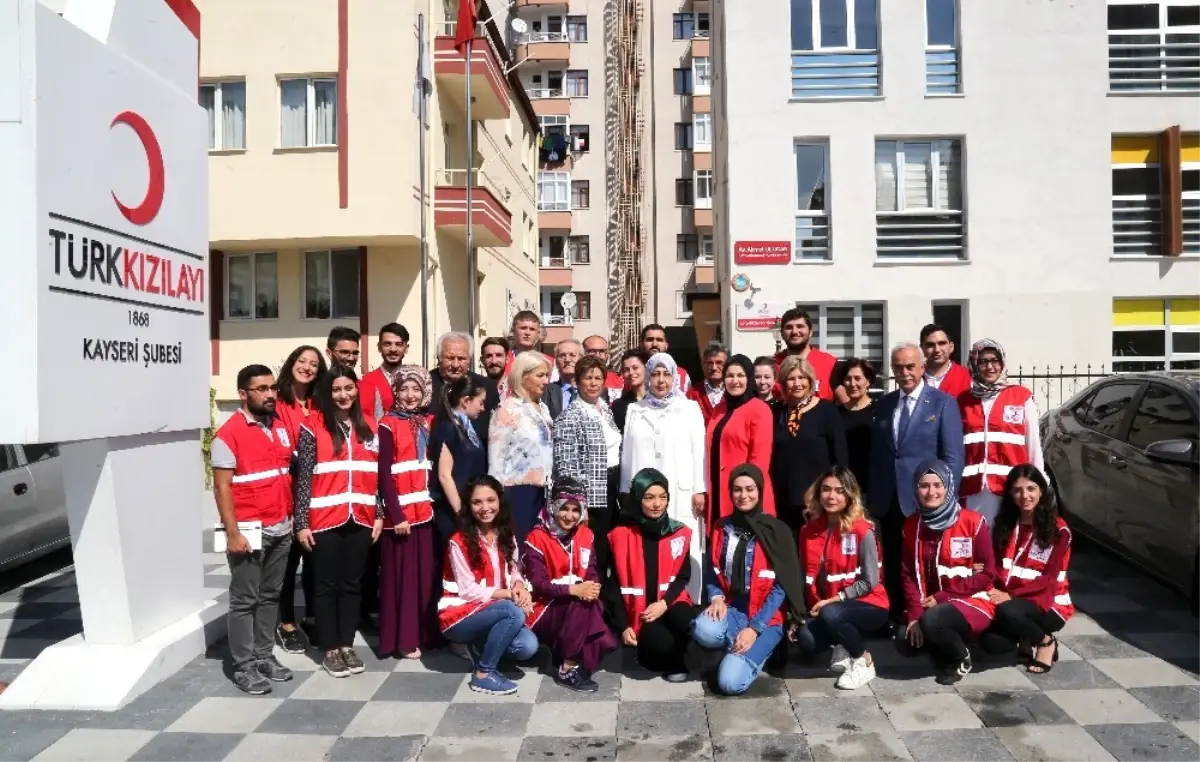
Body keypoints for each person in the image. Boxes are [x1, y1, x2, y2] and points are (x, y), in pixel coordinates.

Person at [293, 366, 384, 678]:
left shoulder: (370, 426)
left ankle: (347, 645)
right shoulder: (312, 426)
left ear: (356, 391)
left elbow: (378, 478)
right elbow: (303, 478)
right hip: (324, 519)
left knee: (352, 585)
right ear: (327, 393)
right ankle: (330, 648)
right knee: (326, 585)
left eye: (348, 388)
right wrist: (302, 522)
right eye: (336, 390)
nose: (343, 395)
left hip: (361, 517)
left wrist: (380, 514)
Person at [212, 365, 296, 694]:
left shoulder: (277, 426)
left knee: (270, 595)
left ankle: (264, 656)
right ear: (243, 394)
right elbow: (222, 489)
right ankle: (243, 665)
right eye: (261, 389)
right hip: (246, 528)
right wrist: (232, 533)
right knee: (244, 599)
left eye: (272, 387)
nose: (270, 394)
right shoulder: (228, 434)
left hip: (280, 525)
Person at [868, 343, 965, 620]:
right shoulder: (885, 405)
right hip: (890, 501)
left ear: (922, 367)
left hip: (927, 500)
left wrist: (945, 499)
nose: (905, 372)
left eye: (910, 366)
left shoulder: (943, 403)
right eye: (898, 367)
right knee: (896, 560)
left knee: (926, 561)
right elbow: (880, 454)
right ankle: (899, 613)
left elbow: (952, 457)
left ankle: (929, 615)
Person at [693, 464, 807, 695]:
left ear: (760, 491)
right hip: (733, 609)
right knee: (703, 629)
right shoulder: (722, 527)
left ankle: (766, 647)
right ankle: (734, 646)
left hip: (766, 617)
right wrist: (716, 596)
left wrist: (754, 629)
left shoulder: (778, 531)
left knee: (729, 683)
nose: (743, 496)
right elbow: (712, 568)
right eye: (737, 489)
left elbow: (781, 588)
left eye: (750, 489)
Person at [896, 460, 997, 685]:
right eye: (924, 485)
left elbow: (987, 574)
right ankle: (946, 647)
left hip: (972, 601)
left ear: (949, 487)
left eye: (937, 485)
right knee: (904, 640)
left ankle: (962, 657)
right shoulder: (912, 525)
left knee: (933, 621)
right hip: (931, 604)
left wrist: (943, 598)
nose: (931, 492)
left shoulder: (973, 522)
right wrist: (914, 615)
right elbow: (908, 574)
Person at [438, 476, 540, 695]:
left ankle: (479, 645)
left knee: (527, 647)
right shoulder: (459, 540)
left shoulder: (506, 533)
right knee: (513, 612)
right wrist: (509, 595)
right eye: (477, 502)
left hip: (494, 611)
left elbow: (514, 569)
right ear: (468, 505)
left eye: (490, 500)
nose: (485, 508)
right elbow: (467, 590)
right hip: (459, 615)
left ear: (500, 501)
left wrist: (519, 584)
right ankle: (484, 673)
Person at [620, 353, 707, 601]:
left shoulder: (689, 408)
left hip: (681, 490)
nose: (660, 380)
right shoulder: (635, 410)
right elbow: (627, 452)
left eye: (666, 374)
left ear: (674, 378)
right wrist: (626, 490)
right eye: (655, 374)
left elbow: (699, 450)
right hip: (644, 493)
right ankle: (648, 601)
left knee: (681, 545)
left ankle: (687, 601)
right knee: (646, 546)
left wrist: (699, 489)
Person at [794, 467, 890, 691]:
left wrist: (835, 599)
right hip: (831, 607)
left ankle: (862, 660)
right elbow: (803, 576)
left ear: (849, 495)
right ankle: (842, 644)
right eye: (826, 490)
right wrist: (797, 614)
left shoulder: (862, 530)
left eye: (839, 491)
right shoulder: (808, 530)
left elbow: (870, 581)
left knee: (831, 613)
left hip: (870, 604)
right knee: (806, 638)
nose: (831, 496)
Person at [523, 476, 618, 692]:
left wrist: (592, 586)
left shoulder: (586, 534)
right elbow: (539, 585)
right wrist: (575, 590)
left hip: (572, 603)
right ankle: (568, 668)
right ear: (553, 505)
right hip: (542, 608)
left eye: (576, 510)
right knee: (584, 606)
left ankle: (565, 653)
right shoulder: (537, 538)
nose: (569, 516)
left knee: (589, 603)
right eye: (564, 508)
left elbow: (592, 569)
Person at [606, 468, 694, 682]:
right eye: (649, 497)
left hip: (669, 604)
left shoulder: (678, 532)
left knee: (684, 619)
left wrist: (663, 604)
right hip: (641, 612)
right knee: (655, 653)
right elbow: (613, 587)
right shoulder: (620, 535)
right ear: (637, 499)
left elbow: (683, 576)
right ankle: (657, 650)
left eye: (663, 497)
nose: (657, 504)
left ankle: (679, 656)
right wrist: (623, 626)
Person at [377, 366, 439, 660]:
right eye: (404, 389)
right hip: (400, 517)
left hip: (425, 513)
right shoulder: (387, 424)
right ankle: (402, 638)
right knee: (401, 578)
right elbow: (384, 474)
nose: (410, 395)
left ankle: (425, 635)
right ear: (395, 392)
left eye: (416, 389)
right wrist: (396, 514)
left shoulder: (429, 422)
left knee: (424, 577)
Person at [987, 465, 1072, 674]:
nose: (1024, 496)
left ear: (1042, 491)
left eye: (1031, 489)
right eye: (1017, 490)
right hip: (1013, 601)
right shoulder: (1005, 524)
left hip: (1049, 603)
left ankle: (1045, 642)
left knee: (1008, 612)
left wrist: (1010, 595)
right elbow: (997, 566)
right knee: (992, 643)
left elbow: (1049, 580)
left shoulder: (1058, 530)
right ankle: (1025, 636)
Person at [274, 345, 326, 654]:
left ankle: (311, 616)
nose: (307, 367)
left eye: (314, 364)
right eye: (302, 361)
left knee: (314, 560)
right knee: (287, 562)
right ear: (291, 363)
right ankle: (286, 623)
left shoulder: (320, 403)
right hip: (286, 491)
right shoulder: (278, 402)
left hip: (317, 492)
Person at [958, 339, 1043, 527]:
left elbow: (1033, 446)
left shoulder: (1021, 397)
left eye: (995, 360)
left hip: (1011, 488)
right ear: (974, 363)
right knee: (977, 543)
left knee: (1007, 541)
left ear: (1002, 363)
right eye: (983, 361)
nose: (990, 366)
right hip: (973, 490)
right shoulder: (963, 401)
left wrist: (1039, 484)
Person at [552, 355, 622, 574]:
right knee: (595, 550)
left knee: (613, 548)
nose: (593, 383)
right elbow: (566, 466)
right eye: (588, 378)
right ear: (577, 381)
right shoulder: (570, 416)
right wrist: (579, 506)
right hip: (592, 494)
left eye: (598, 378)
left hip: (614, 486)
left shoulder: (605, 410)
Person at [769, 356, 848, 536]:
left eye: (802, 378)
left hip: (818, 501)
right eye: (791, 378)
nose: (797, 383)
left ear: (810, 381)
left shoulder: (827, 410)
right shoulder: (776, 412)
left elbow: (840, 457)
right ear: (782, 383)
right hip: (783, 501)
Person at [488, 351, 554, 542]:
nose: (545, 381)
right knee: (520, 548)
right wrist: (495, 499)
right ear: (523, 377)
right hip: (517, 492)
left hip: (543, 490)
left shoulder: (543, 408)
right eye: (540, 375)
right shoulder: (507, 409)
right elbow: (496, 459)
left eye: (546, 375)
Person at [707, 355, 775, 523]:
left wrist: (746, 492)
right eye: (730, 376)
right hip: (717, 490)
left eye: (740, 375)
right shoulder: (719, 409)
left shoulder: (759, 409)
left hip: (745, 495)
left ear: (749, 378)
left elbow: (759, 460)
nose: (734, 381)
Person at [430, 375, 490, 548]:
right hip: (452, 511)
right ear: (466, 401)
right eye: (481, 402)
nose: (483, 408)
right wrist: (460, 513)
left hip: (469, 505)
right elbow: (444, 475)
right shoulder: (448, 427)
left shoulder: (467, 427)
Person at [431, 332, 500, 442]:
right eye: (450, 358)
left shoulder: (486, 386)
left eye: (461, 358)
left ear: (469, 360)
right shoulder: (426, 385)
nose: (455, 365)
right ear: (439, 358)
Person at [773, 308, 837, 401]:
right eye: (789, 327)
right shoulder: (773, 365)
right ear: (782, 334)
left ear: (810, 332)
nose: (794, 331)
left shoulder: (829, 363)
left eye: (800, 326)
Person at [834, 358, 876, 497]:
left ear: (868, 381)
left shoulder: (879, 411)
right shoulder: (834, 413)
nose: (853, 384)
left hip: (871, 487)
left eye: (858, 378)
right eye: (847, 379)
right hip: (843, 488)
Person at [359, 323, 410, 420]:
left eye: (399, 344)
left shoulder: (414, 379)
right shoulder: (368, 381)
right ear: (379, 347)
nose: (393, 349)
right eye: (387, 344)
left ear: (406, 348)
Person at [920, 324, 971, 398]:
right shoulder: (915, 377)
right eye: (930, 345)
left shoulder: (968, 377)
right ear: (921, 349)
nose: (937, 350)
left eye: (941, 343)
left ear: (951, 347)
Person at [502, 310, 554, 379]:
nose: (527, 333)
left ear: (538, 334)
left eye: (532, 329)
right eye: (523, 328)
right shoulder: (502, 359)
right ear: (513, 331)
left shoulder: (549, 362)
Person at [640, 323, 692, 393]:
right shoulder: (635, 374)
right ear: (642, 344)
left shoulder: (681, 375)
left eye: (659, 340)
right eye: (650, 339)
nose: (654, 344)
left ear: (666, 345)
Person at [688, 341, 728, 423]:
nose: (714, 368)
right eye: (709, 363)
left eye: (719, 363)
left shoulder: (734, 391)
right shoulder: (693, 393)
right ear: (703, 365)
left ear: (727, 364)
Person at [611, 349, 649, 432]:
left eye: (635, 368)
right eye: (626, 370)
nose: (631, 373)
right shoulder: (619, 406)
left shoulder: (658, 400)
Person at [545, 338, 584, 419]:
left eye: (572, 355)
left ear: (582, 359)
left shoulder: (593, 390)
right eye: (562, 355)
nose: (567, 360)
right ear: (556, 362)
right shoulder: (545, 391)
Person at [582, 334, 626, 399]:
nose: (597, 355)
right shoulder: (576, 380)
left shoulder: (620, 381)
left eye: (601, 351)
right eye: (592, 351)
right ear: (583, 354)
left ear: (607, 354)